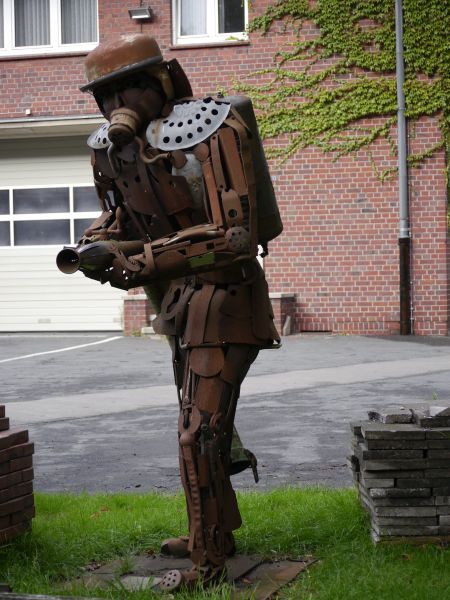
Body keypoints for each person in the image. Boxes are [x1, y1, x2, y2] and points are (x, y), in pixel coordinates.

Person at [62, 34, 282, 591]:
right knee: (202, 428)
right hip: (181, 301)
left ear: (163, 80)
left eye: (130, 88)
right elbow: (119, 217)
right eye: (107, 95)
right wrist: (97, 242)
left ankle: (207, 564)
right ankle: (214, 532)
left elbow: (235, 237)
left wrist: (138, 261)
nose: (118, 105)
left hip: (227, 295)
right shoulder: (110, 150)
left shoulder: (215, 128)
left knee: (197, 434)